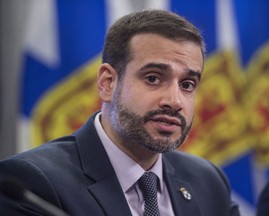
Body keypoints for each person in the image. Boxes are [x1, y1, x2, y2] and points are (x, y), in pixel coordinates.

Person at [0, 9, 240, 216]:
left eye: (187, 84)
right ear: (107, 83)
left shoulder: (208, 182)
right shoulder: (33, 184)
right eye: (153, 78)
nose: (174, 101)